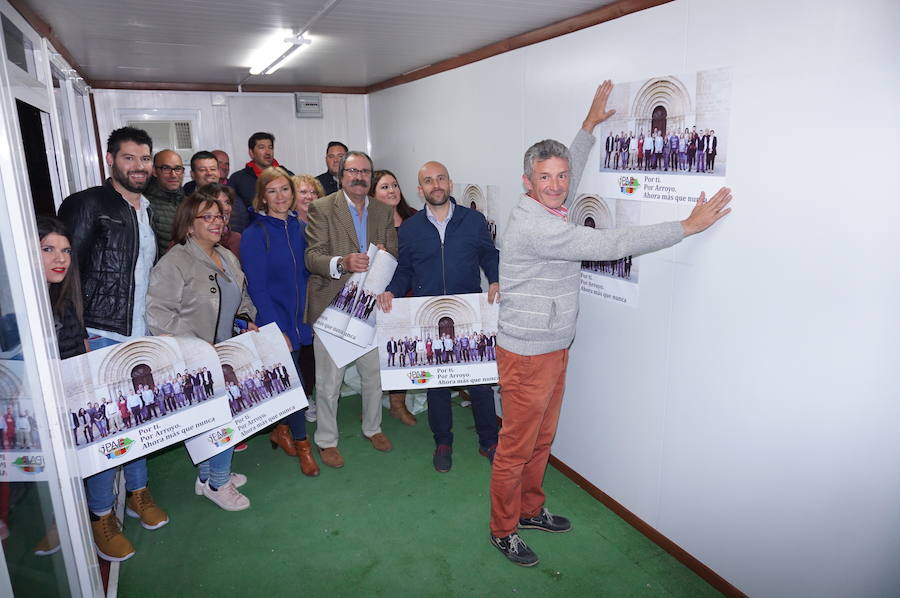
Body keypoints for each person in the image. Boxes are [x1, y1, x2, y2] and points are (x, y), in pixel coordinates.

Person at [488, 80, 733, 567]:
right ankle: (503, 529)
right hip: (527, 354)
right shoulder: (537, 226)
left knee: (541, 439)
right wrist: (686, 226)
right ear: (526, 182)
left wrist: (587, 127)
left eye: (561, 175)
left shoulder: (549, 204)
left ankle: (531, 510)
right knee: (515, 448)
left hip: (553, 346)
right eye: (545, 177)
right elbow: (608, 244)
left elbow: (571, 170)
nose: (557, 184)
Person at [57, 126, 167, 562]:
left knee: (139, 420)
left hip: (140, 334)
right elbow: (65, 274)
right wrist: (77, 336)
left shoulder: (148, 209)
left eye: (144, 158)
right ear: (110, 160)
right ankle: (100, 514)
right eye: (129, 158)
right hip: (100, 335)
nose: (138, 167)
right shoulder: (87, 204)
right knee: (106, 430)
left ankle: (138, 493)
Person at [378, 161, 500, 472]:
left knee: (479, 383)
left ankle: (489, 441)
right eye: (429, 181)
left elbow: (489, 254)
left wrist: (496, 279)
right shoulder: (411, 228)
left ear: (450, 183)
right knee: (436, 384)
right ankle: (443, 442)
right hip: (429, 315)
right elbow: (405, 269)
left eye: (441, 178)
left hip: (468, 312)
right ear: (420, 190)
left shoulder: (473, 220)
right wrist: (391, 291)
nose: (436, 185)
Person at [146, 193, 257, 511]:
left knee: (218, 418)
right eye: (207, 217)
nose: (217, 222)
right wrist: (194, 348)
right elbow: (158, 315)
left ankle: (207, 476)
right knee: (220, 419)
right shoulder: (175, 261)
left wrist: (246, 322)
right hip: (193, 358)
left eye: (219, 216)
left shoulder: (226, 256)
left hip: (224, 351)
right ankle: (219, 484)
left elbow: (240, 298)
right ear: (189, 225)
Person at [304, 150, 397, 467]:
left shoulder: (383, 210)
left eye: (365, 172)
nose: (359, 177)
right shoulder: (321, 208)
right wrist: (342, 263)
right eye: (353, 171)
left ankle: (373, 428)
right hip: (333, 307)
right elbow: (312, 257)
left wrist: (385, 256)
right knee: (329, 382)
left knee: (374, 376)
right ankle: (326, 440)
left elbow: (394, 251)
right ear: (341, 176)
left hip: (369, 307)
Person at [240, 167, 319, 477]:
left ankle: (281, 430)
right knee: (295, 385)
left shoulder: (302, 228)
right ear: (262, 197)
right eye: (271, 191)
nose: (280, 196)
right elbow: (257, 288)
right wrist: (277, 330)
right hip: (276, 319)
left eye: (284, 189)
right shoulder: (254, 234)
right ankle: (303, 445)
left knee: (293, 380)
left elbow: (311, 272)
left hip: (303, 318)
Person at [370, 169, 418, 426]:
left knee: (405, 351)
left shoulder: (415, 218)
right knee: (382, 354)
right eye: (384, 187)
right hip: (382, 296)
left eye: (394, 185)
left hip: (412, 293)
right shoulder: (368, 224)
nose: (392, 191)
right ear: (373, 194)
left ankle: (398, 404)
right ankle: (375, 404)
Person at [290, 174, 325, 422]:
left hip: (322, 294)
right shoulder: (290, 226)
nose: (309, 197)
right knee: (302, 352)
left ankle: (312, 393)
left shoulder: (323, 224)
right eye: (303, 192)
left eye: (314, 192)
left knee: (314, 353)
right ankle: (303, 399)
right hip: (298, 297)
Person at [228, 132, 293, 233]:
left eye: (270, 147)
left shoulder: (287, 176)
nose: (268, 152)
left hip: (287, 229)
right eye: (262, 147)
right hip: (252, 232)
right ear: (251, 153)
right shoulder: (238, 179)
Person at [145, 149, 185, 257]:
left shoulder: (189, 202)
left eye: (178, 169)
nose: (173, 174)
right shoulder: (145, 205)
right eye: (166, 168)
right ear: (154, 171)